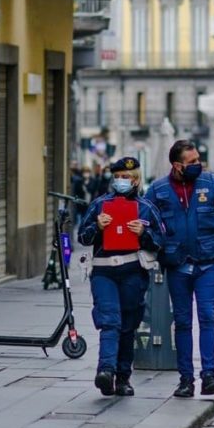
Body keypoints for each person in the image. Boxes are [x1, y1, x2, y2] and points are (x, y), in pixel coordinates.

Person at [145, 140, 214, 398]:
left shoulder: (209, 183)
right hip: (177, 264)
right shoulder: (159, 189)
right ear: (177, 166)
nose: (197, 165)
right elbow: (145, 218)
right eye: (191, 162)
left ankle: (209, 374)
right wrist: (159, 243)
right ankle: (186, 379)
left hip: (208, 261)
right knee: (182, 321)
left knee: (208, 316)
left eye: (198, 159)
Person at [78, 157, 164, 397]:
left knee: (128, 326)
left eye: (125, 177)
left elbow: (161, 241)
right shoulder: (99, 205)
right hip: (104, 270)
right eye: (117, 176)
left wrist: (144, 233)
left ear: (135, 179)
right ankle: (105, 371)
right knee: (110, 321)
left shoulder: (146, 207)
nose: (120, 181)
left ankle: (123, 377)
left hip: (133, 272)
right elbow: (82, 238)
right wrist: (97, 226)